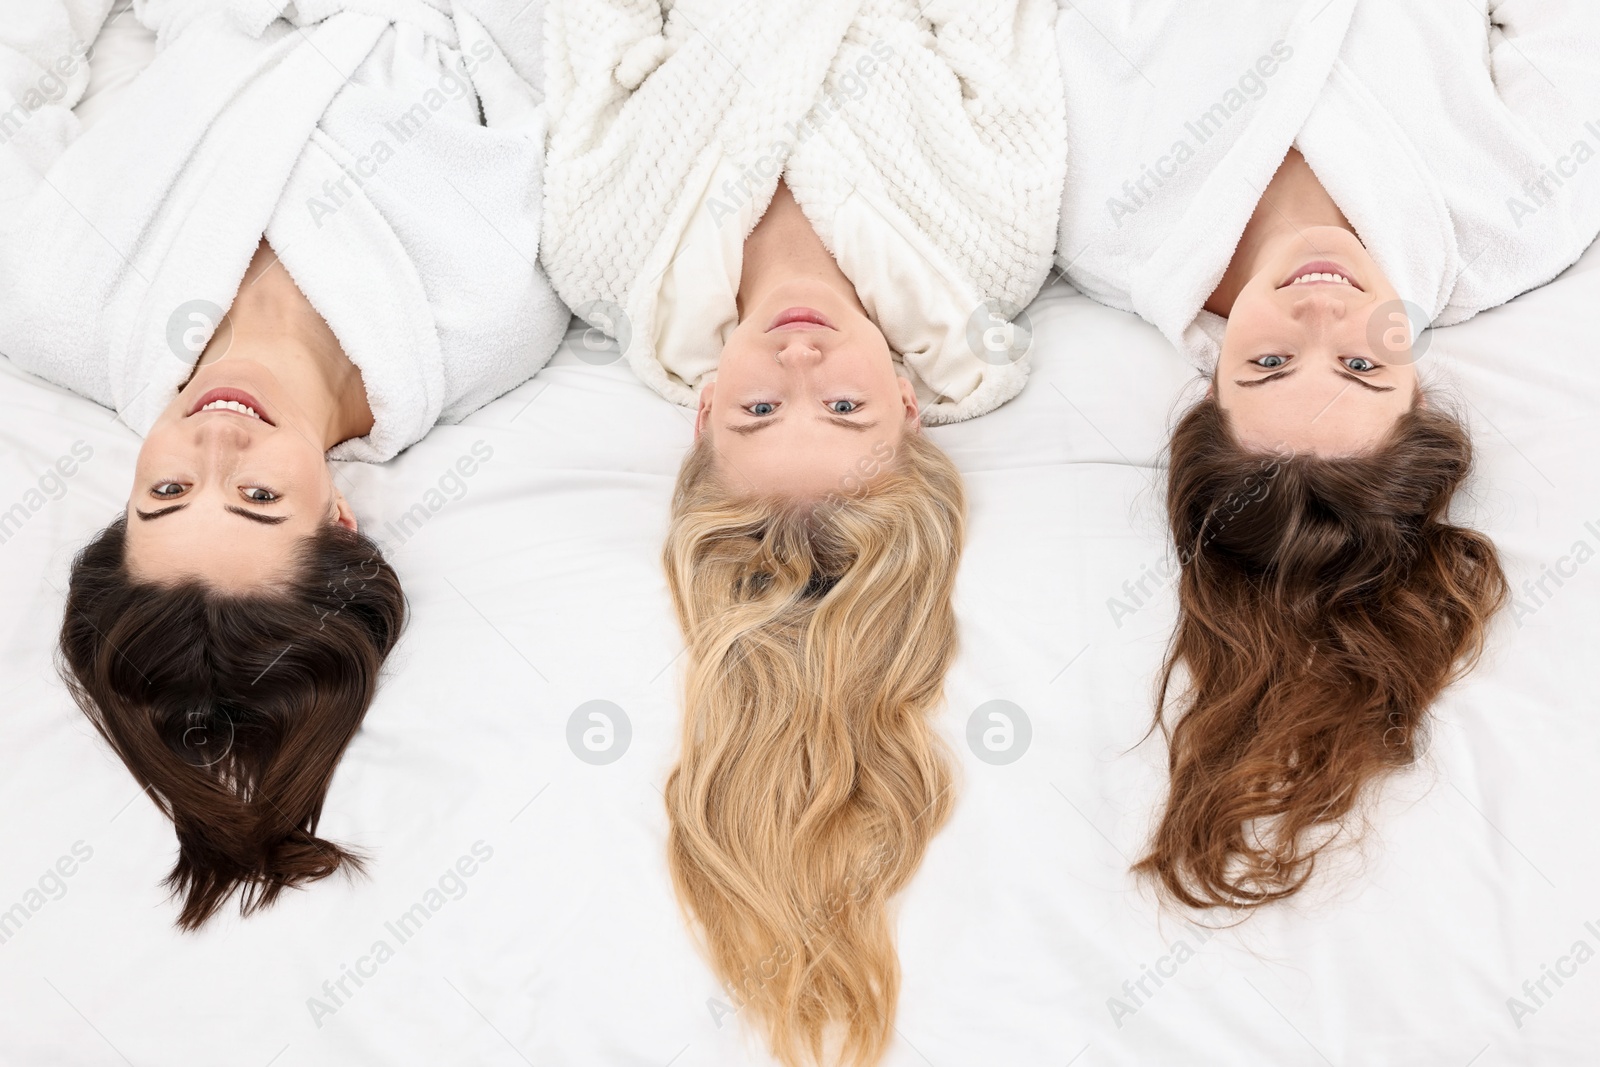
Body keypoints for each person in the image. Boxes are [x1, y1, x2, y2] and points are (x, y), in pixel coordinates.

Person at [540, 1, 1064, 1062]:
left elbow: (591, 36)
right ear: (910, 407)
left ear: (700, 414)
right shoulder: (991, 244)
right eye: (845, 411)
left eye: (758, 412)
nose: (798, 368)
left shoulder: (604, 258)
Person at [0, 0, 568, 928]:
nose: (215, 442)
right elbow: (559, 66)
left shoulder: (59, 304)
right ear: (341, 519)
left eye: (168, 491)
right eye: (258, 497)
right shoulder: (485, 321)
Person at [1053, 0, 1600, 908]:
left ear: (1211, 384)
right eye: (1358, 365)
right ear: (1416, 388)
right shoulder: (1522, 214)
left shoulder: (1106, 226)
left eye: (1269, 365)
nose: (1319, 315)